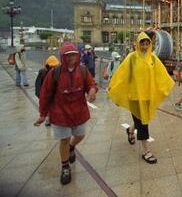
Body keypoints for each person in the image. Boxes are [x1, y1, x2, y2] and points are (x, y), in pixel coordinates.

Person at [33, 42, 97, 185]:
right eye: (67, 56)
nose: (70, 58)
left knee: (80, 135)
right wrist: (43, 114)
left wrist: (92, 91)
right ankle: (65, 166)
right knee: (64, 139)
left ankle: (71, 147)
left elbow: (91, 84)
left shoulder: (83, 70)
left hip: (78, 110)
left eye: (73, 55)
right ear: (62, 57)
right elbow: (45, 94)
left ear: (77, 55)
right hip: (60, 112)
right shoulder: (54, 73)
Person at [108, 32, 174, 164]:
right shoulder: (132, 58)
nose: (144, 46)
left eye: (147, 43)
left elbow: (161, 74)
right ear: (138, 44)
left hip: (147, 96)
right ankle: (145, 151)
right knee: (143, 123)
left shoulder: (153, 58)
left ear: (150, 44)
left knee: (141, 119)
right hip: (135, 97)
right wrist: (114, 89)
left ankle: (130, 130)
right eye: (142, 43)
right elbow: (122, 75)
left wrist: (167, 85)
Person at [34, 55, 60, 126]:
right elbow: (38, 86)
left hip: (54, 94)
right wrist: (40, 95)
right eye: (52, 66)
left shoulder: (57, 73)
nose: (54, 68)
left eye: (55, 66)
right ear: (48, 65)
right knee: (47, 107)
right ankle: (48, 120)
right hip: (45, 95)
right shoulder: (42, 72)